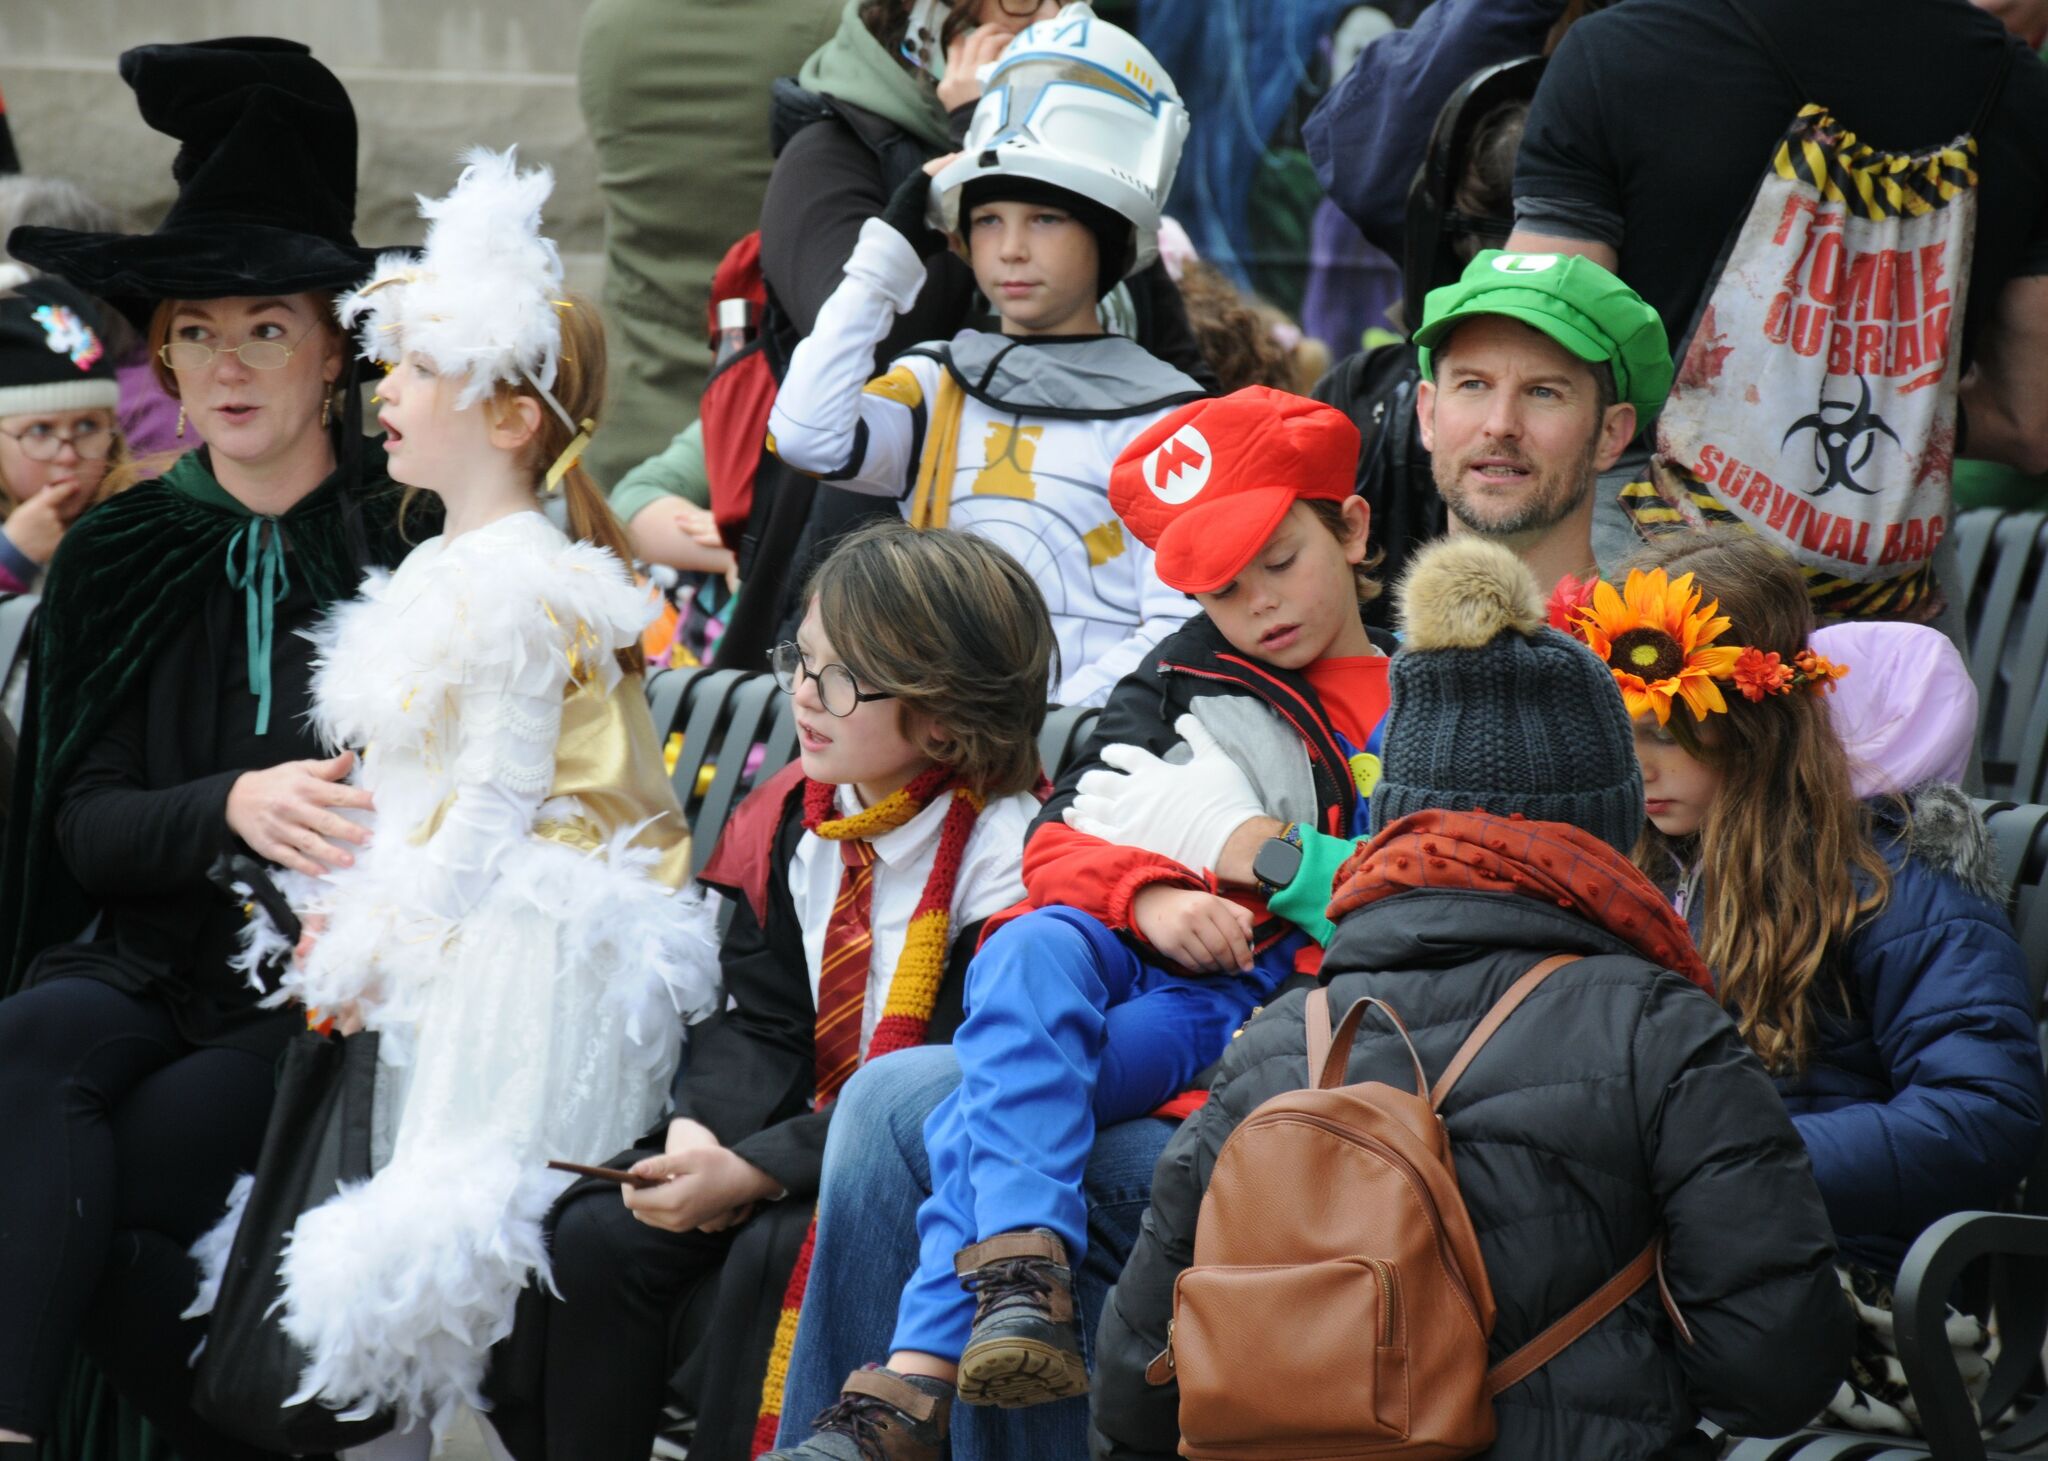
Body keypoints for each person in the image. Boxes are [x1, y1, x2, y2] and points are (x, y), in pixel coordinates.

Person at [1094, 532, 1853, 1459]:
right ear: (1604, 823)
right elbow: (1774, 1371)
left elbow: (1137, 1386)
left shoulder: (1282, 1040)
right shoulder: (1662, 1030)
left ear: (1398, 819)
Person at [185, 148, 723, 1446]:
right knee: (392, 1290)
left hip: (514, 966)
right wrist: (344, 905)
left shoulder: (519, 579)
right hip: (437, 941)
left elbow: (492, 806)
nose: (388, 388)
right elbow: (412, 792)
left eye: (421, 367)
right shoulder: (440, 563)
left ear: (509, 416)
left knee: (455, 1276)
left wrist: (381, 940)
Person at [768, 384, 1396, 1459]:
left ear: (1349, 526)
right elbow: (1062, 844)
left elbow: (1419, 891)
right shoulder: (1180, 673)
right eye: (1218, 584)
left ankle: (910, 1376)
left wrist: (1256, 854)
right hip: (1131, 963)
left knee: (970, 1105)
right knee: (1013, 956)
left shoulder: (1416, 696)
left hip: (1261, 1014)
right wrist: (1152, 890)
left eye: (1278, 561)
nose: (1256, 606)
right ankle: (1008, 1291)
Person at [0, 38, 424, 1458]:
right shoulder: (122, 548)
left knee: (128, 1189)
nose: (228, 365)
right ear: (162, 350)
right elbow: (84, 827)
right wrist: (231, 801)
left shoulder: (408, 538)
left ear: (334, 346)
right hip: (136, 954)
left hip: (304, 994)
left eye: (266, 326)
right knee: (32, 1037)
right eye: (197, 330)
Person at [486, 519, 1055, 1461]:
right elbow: (769, 1015)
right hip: (802, 1123)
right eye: (804, 657)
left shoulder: (1006, 862)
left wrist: (757, 1170)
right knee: (594, 1231)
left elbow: (952, 1088)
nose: (803, 691)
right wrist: (702, 1131)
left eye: (844, 677)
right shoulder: (806, 812)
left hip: (918, 1168)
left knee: (765, 1255)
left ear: (948, 714)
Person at [1567, 530, 2042, 1433]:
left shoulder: (1894, 880)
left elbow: (1985, 1110)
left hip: (1844, 1288)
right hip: (1668, 1265)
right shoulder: (1639, 869)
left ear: (1756, 721)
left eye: (1669, 733)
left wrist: (1742, 1157)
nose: (1641, 765)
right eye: (1618, 734)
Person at [716, 0, 1211, 677]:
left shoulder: (1167, 416)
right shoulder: (937, 385)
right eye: (985, 220)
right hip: (940, 750)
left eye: (1045, 219)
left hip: (1082, 758)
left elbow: (1177, 617)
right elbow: (806, 434)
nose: (1009, 249)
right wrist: (887, 253)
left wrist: (1046, 722)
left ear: (1108, 236)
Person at [1510, 0, 2048, 620]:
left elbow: (1538, 367)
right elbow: (2028, 423)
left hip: (1646, 595)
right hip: (1893, 612)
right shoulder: (2018, 84)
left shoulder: (1620, 53)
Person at [1410, 247, 1671, 590]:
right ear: (1428, 414)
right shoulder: (1361, 645)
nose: (1501, 424)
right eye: (1473, 384)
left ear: (1610, 434)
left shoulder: (1672, 642)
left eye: (1543, 392)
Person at [0, 275, 126, 595]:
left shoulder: (137, 524)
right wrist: (11, 557)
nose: (69, 455)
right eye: (40, 431)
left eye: (88, 427)